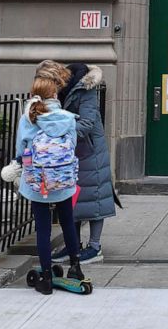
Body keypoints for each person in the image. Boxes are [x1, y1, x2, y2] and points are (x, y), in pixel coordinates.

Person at [39, 60, 116, 266]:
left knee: (95, 198)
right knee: (73, 199)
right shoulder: (63, 92)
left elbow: (87, 124)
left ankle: (94, 246)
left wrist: (59, 134)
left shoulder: (86, 91)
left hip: (90, 151)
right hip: (71, 152)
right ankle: (73, 244)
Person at [16, 73, 84, 295]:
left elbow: (21, 149)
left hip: (38, 183)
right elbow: (72, 145)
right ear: (55, 94)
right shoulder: (67, 117)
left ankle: (46, 276)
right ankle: (75, 266)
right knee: (67, 223)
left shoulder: (29, 117)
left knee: (43, 229)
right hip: (62, 181)